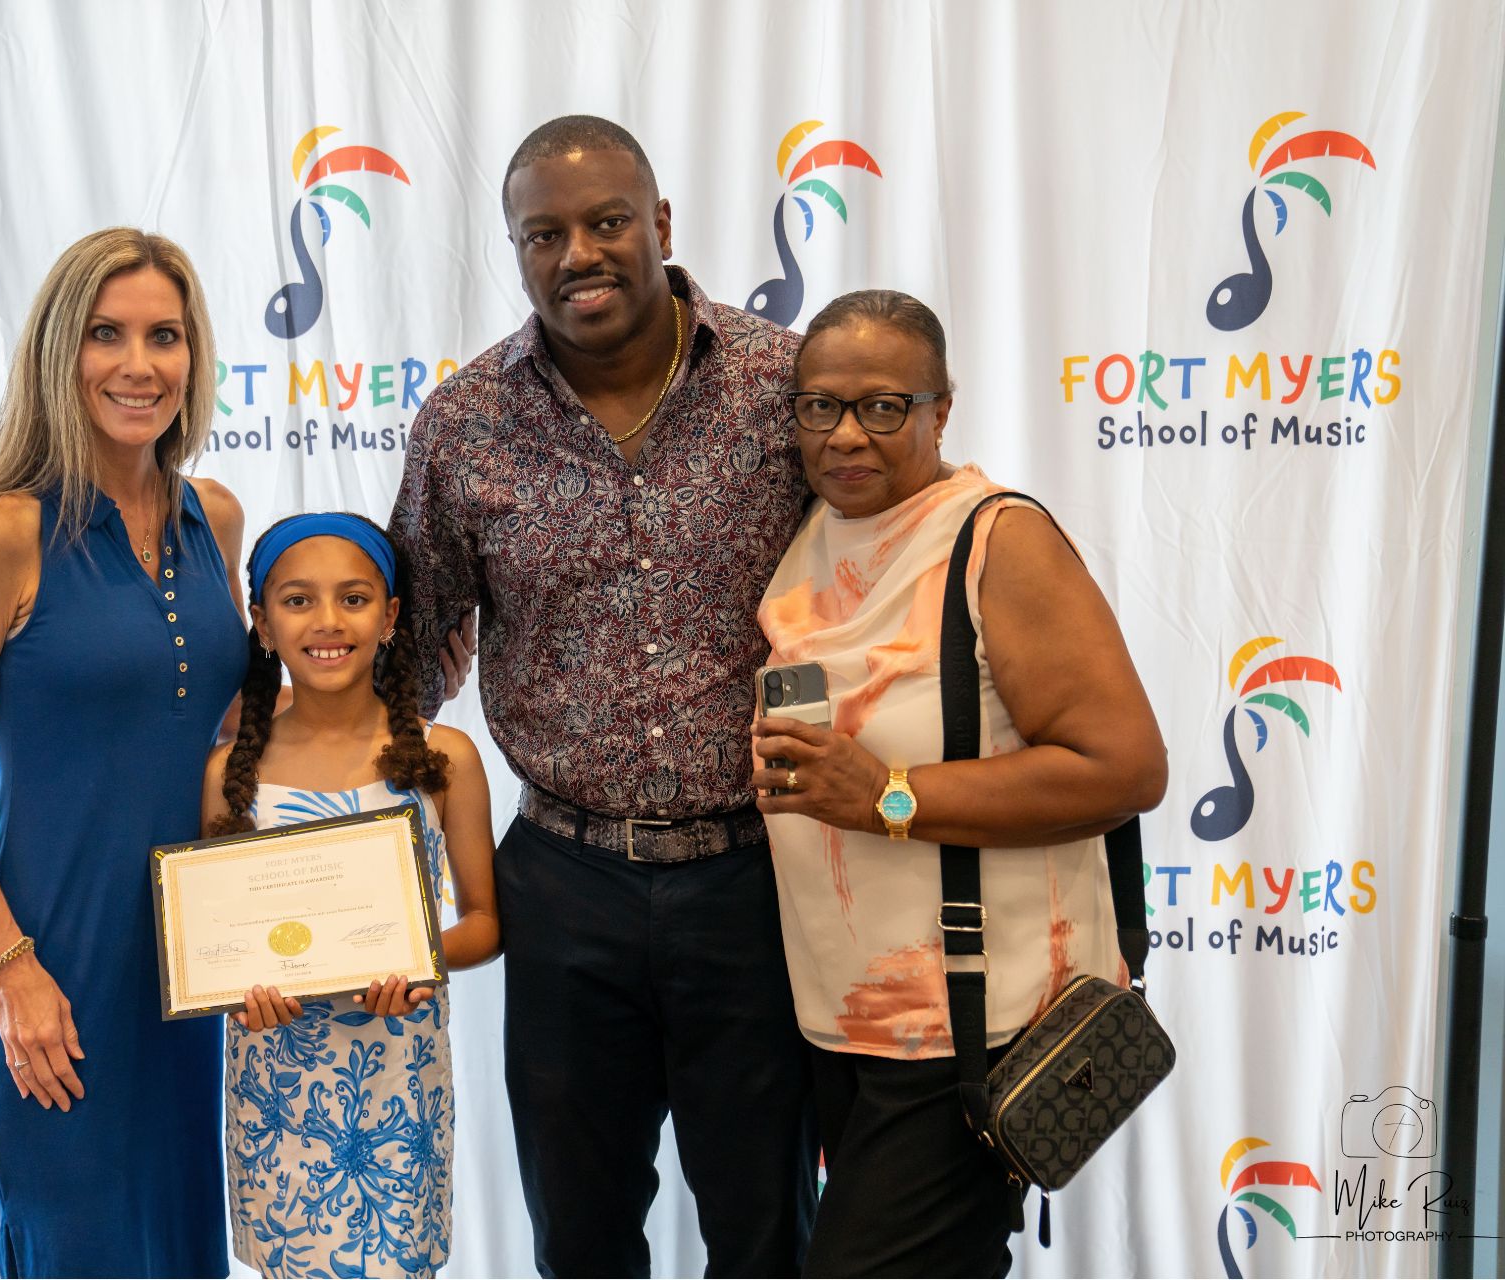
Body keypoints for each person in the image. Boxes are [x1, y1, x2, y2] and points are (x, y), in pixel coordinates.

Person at [389, 115, 816, 1278]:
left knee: (769, 1228)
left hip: (761, 878)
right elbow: (411, 659)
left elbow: (897, 584)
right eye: (545, 233)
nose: (579, 251)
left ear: (663, 226)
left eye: (607, 221)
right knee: (577, 1234)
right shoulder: (466, 424)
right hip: (565, 887)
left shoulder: (788, 386)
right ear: (518, 252)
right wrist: (283, 775)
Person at [750, 289, 1168, 1277]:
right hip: (845, 1029)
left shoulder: (995, 538)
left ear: (943, 410)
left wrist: (890, 794)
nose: (847, 433)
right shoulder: (814, 537)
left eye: (885, 405)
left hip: (973, 1034)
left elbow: (1124, 767)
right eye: (820, 407)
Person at [0, 228, 247, 1277]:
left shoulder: (216, 518)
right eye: (107, 334)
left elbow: (225, 741)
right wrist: (13, 971)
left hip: (192, 980)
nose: (138, 364)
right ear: (63, 351)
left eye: (164, 336)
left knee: (188, 1255)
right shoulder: (5, 532)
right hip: (56, 977)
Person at [200, 512, 498, 1279]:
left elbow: (485, 923)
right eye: (297, 601)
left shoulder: (445, 758)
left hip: (398, 1078)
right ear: (261, 625)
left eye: (354, 598)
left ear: (392, 617)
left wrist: (417, 958)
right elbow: (215, 940)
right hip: (276, 1086)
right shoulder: (228, 770)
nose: (327, 622)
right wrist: (234, 990)